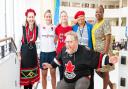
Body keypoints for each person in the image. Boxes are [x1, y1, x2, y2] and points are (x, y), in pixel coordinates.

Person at [43, 31, 118, 89]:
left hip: (82, 79)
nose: (68, 44)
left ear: (76, 42)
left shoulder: (85, 51)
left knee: (80, 86)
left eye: (70, 42)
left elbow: (98, 57)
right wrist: (50, 65)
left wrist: (109, 60)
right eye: (66, 42)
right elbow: (57, 60)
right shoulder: (64, 50)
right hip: (68, 80)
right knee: (59, 86)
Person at [92, 5, 115, 89]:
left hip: (104, 50)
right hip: (97, 51)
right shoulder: (95, 23)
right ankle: (111, 85)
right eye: (96, 12)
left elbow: (108, 37)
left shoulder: (106, 22)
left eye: (100, 12)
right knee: (97, 70)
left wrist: (105, 52)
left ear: (103, 13)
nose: (98, 13)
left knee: (105, 71)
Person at [18, 8, 40, 89]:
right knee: (25, 75)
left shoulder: (37, 28)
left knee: (32, 75)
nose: (31, 19)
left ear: (34, 17)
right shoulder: (23, 27)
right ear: (26, 18)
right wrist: (18, 54)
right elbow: (18, 41)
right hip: (25, 52)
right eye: (29, 17)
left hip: (33, 52)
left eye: (32, 17)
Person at [72, 11, 94, 89]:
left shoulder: (90, 26)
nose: (80, 18)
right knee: (78, 75)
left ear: (84, 17)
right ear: (77, 19)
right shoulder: (74, 27)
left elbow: (93, 40)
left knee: (90, 75)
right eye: (78, 17)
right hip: (77, 55)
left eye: (82, 16)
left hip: (88, 55)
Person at [38, 10, 56, 89]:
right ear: (44, 17)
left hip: (52, 53)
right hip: (43, 54)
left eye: (49, 16)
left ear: (51, 17)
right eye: (47, 16)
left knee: (53, 73)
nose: (48, 18)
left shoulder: (54, 27)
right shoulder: (40, 27)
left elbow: (57, 39)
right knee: (44, 74)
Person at [55, 10, 72, 80]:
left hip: (68, 53)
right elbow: (55, 40)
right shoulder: (57, 28)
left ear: (67, 17)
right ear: (60, 18)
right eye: (62, 16)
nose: (64, 17)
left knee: (68, 73)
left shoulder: (70, 28)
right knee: (61, 73)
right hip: (59, 53)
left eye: (65, 16)